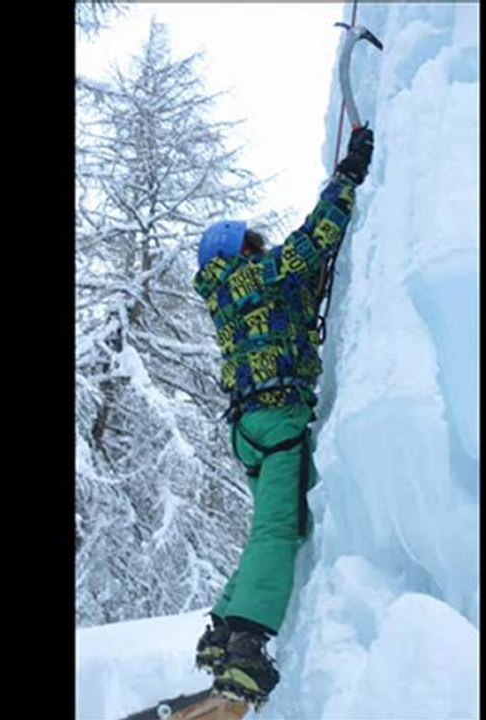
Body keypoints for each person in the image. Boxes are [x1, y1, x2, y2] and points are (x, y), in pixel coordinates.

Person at [190, 125, 375, 705]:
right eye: (252, 246)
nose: (260, 251)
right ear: (236, 254)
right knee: (277, 530)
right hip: (277, 419)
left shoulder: (227, 294)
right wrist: (347, 177)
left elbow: (292, 293)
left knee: (275, 526)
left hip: (248, 428)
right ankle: (246, 646)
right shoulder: (251, 276)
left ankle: (221, 632)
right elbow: (306, 247)